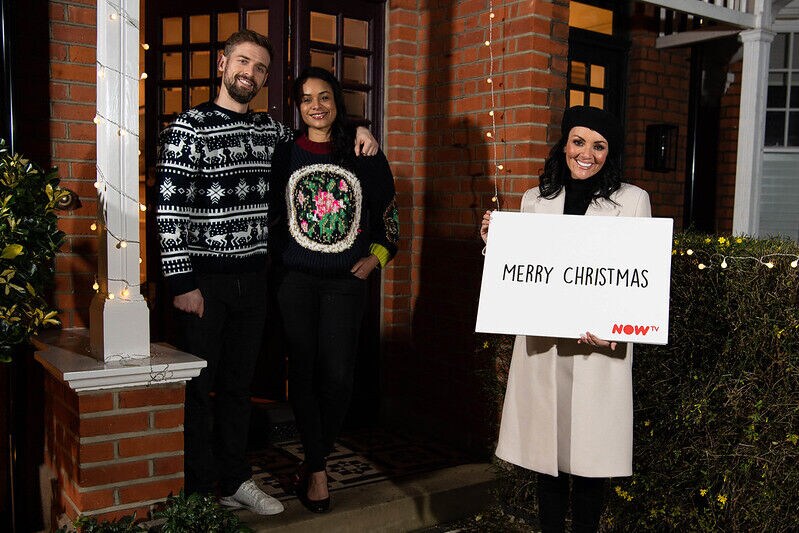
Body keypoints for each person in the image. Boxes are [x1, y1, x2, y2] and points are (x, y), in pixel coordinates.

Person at [156, 31, 378, 515]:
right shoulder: (188, 127)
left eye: (259, 68)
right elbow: (169, 210)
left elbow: (321, 128)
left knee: (239, 387)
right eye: (242, 62)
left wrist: (361, 128)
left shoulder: (270, 132)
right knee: (198, 389)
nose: (250, 73)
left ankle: (235, 479)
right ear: (222, 64)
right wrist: (181, 283)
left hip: (255, 279)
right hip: (203, 283)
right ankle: (199, 491)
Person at [480, 105, 651, 532]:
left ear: (610, 153)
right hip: (545, 349)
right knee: (547, 457)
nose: (586, 154)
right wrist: (495, 244)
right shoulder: (535, 200)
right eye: (578, 142)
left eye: (599, 146)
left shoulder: (632, 201)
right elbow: (524, 272)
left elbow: (638, 279)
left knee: (591, 460)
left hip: (598, 352)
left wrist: (616, 331)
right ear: (564, 144)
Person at [271, 66, 399, 513]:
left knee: (339, 376)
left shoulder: (362, 152)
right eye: (307, 99)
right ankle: (319, 471)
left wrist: (377, 257)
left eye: (324, 97)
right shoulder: (285, 152)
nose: (316, 106)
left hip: (346, 281)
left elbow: (389, 212)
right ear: (298, 106)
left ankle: (313, 461)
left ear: (336, 102)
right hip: (296, 281)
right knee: (303, 372)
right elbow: (269, 213)